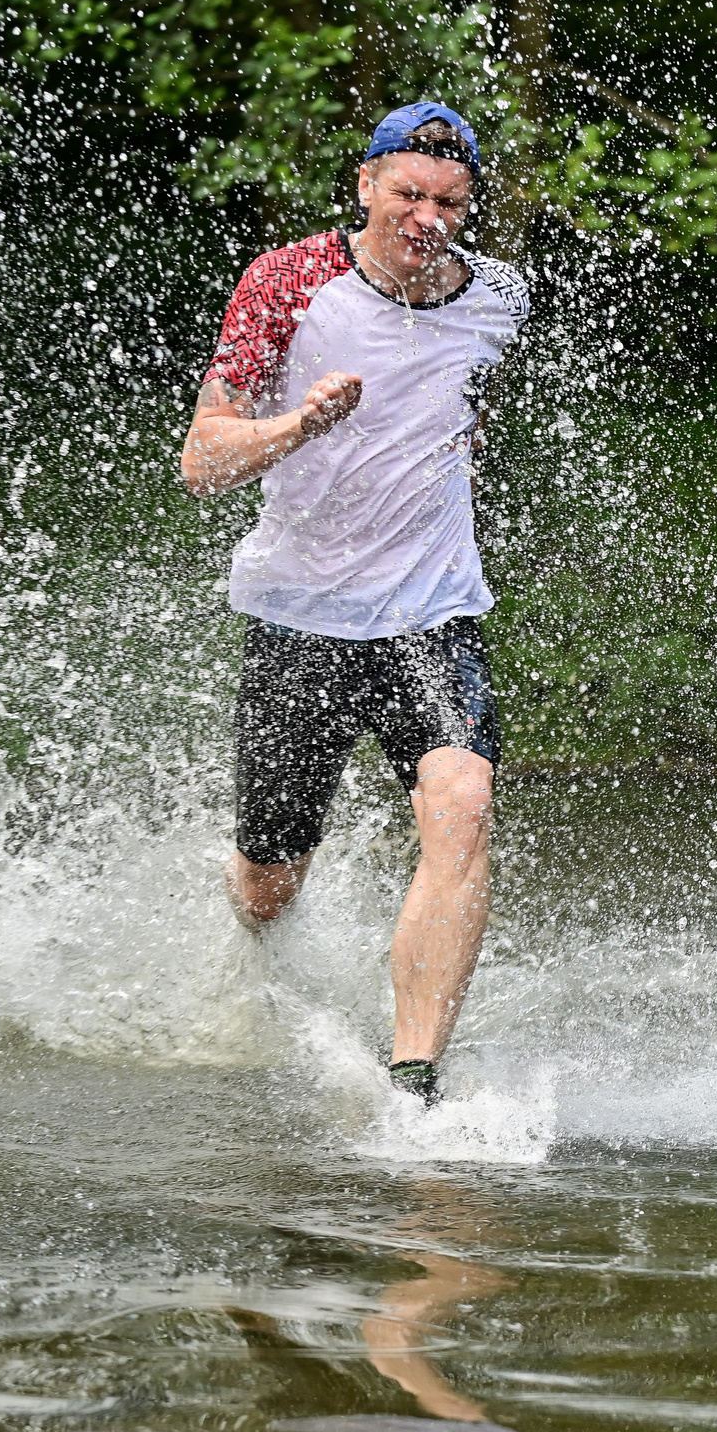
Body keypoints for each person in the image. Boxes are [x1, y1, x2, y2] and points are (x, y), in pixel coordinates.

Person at [179, 103, 529, 1104]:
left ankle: (413, 1077)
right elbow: (202, 462)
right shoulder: (286, 281)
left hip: (430, 614)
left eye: (450, 202)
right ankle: (242, 970)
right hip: (300, 620)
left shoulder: (502, 294)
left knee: (462, 803)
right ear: (367, 184)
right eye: (409, 194)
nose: (427, 217)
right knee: (267, 878)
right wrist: (299, 423)